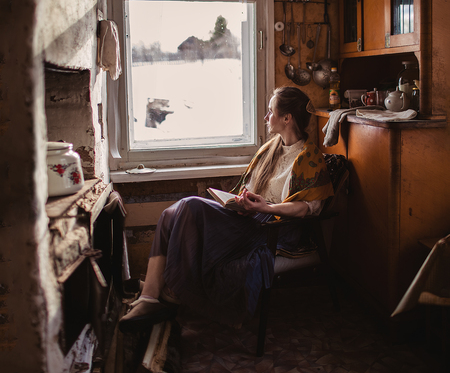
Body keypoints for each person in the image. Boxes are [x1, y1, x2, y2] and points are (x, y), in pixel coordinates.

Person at [119, 86, 334, 333]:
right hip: (252, 217)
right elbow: (249, 187)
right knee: (170, 214)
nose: (266, 117)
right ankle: (150, 297)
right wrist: (244, 201)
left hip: (275, 228)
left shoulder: (309, 157)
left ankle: (171, 293)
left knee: (190, 206)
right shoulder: (270, 149)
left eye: (270, 111)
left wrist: (267, 207)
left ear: (287, 118)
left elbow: (309, 208)